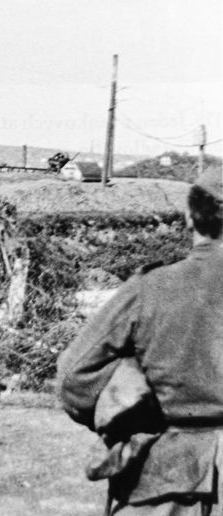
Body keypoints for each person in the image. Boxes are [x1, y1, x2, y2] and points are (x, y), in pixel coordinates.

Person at [57, 167, 223, 515]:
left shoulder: (152, 288)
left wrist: (124, 414)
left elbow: (75, 376)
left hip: (166, 476)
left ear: (190, 217)